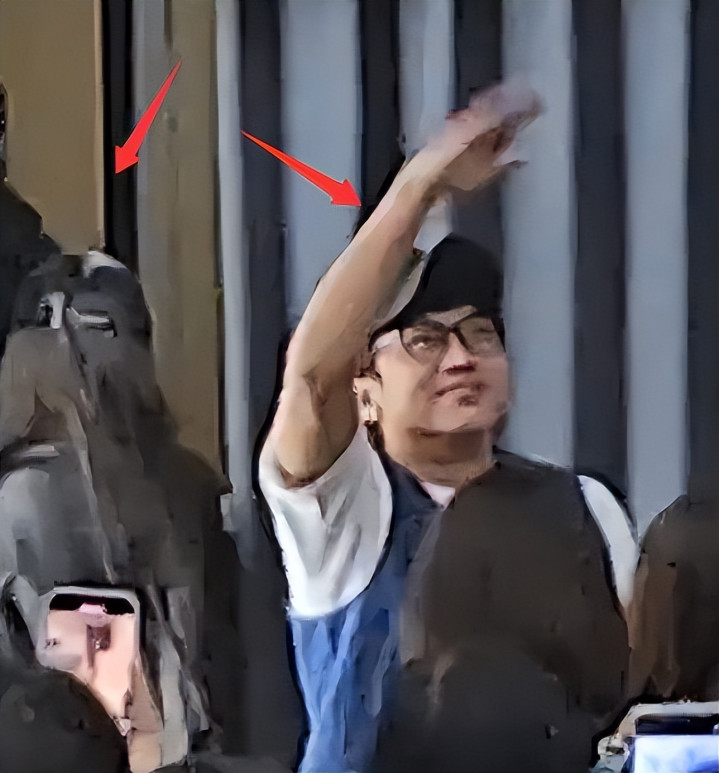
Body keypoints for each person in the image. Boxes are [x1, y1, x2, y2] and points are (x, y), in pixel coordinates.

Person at [258, 85, 630, 773]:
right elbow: (310, 378)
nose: (460, 357)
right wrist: (422, 184)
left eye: (479, 333)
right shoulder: (346, 515)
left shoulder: (586, 508)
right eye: (424, 339)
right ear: (364, 390)